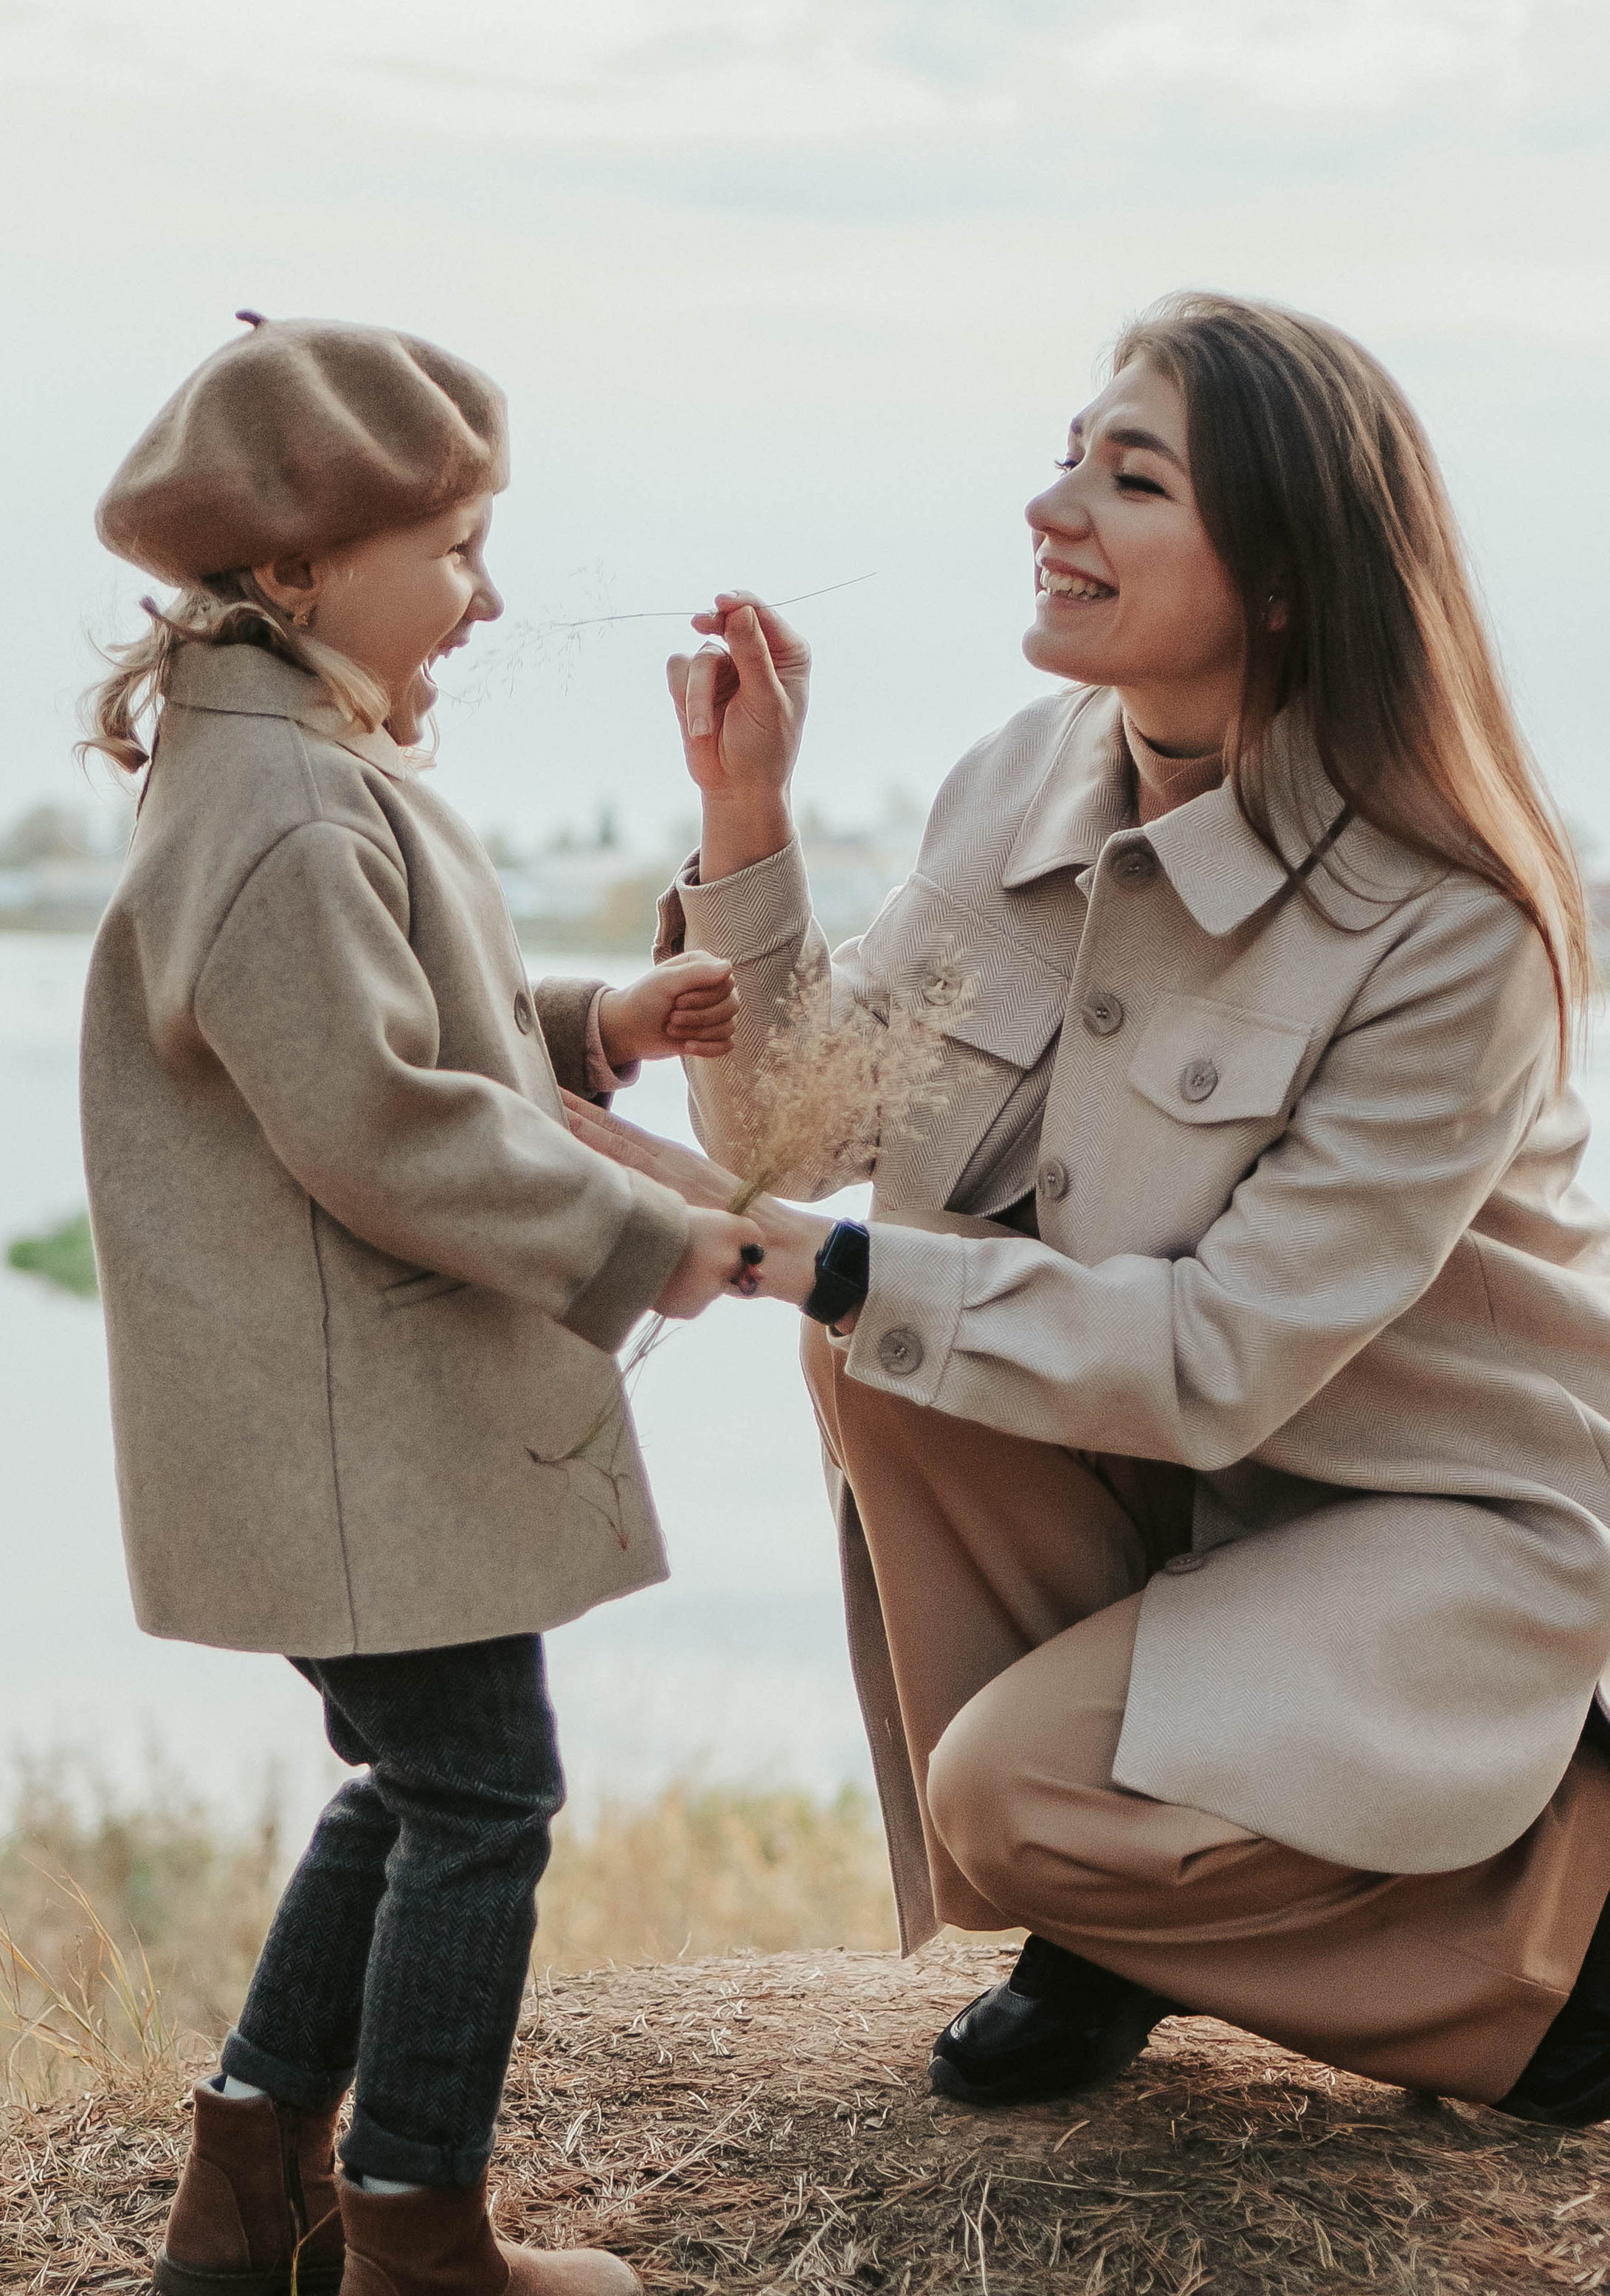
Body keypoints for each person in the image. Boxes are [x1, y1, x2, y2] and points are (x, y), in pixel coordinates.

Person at [565, 291, 1610, 2130]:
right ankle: (1106, 1914)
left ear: (1284, 580)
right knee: (883, 1344)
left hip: (1418, 1508)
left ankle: (1547, 1974)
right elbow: (794, 1139)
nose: (1053, 505)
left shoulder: (1451, 922)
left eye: (1128, 478)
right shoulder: (1017, 778)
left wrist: (809, 1256)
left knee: (1004, 1792)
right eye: (1066, 456)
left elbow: (1218, 1358)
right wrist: (745, 820)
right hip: (1152, 1466)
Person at [80, 311, 760, 2296]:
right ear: (299, 566)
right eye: (454, 545)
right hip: (343, 1421)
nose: (485, 589)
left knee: (418, 1771)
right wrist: (658, 1233)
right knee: (487, 1793)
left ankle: (248, 2180)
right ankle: (424, 2257)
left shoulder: (283, 763)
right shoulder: (281, 798)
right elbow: (373, 1117)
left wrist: (589, 1028)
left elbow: (388, 1021)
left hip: (327, 1417)